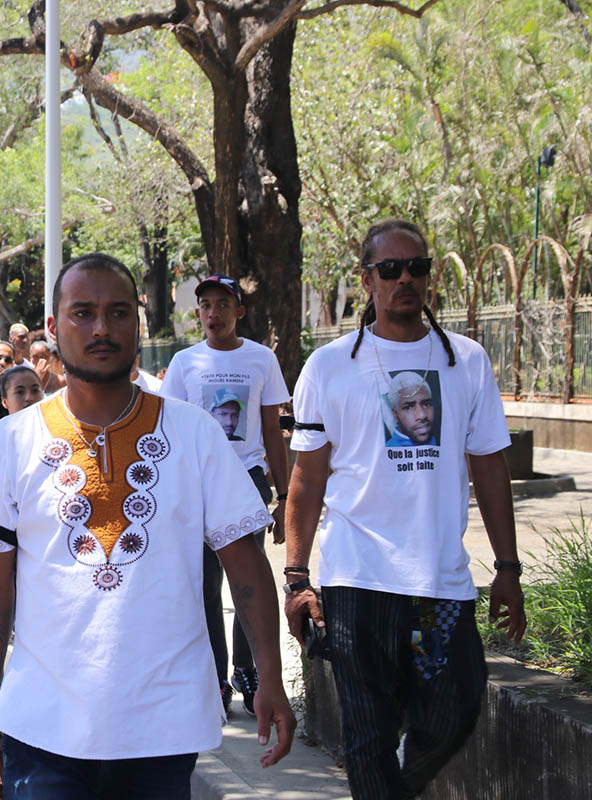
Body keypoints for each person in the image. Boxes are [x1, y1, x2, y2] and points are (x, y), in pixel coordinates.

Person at [0, 253, 295, 800]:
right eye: (83, 313)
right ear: (53, 327)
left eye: (118, 313)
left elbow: (247, 568)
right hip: (42, 723)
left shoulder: (195, 435)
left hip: (162, 727)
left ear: (137, 325)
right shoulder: (8, 443)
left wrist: (270, 680)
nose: (101, 328)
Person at [284, 220, 526, 800]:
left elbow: (490, 466)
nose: (404, 279)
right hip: (357, 582)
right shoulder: (330, 366)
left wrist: (509, 568)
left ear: (430, 275)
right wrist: (296, 579)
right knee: (367, 734)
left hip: (438, 585)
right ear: (367, 280)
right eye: (389, 270)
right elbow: (306, 478)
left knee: (456, 710)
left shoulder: (465, 361)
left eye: (416, 266)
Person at [160, 272, 292, 716]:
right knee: (204, 586)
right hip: (196, 485)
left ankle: (247, 670)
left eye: (222, 304)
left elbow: (273, 428)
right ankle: (215, 676)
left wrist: (284, 492)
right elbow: (171, 430)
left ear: (239, 311)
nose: (213, 313)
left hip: (248, 481)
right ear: (197, 313)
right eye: (205, 305)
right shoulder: (183, 364)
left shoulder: (261, 359)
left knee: (246, 580)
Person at [383, 370, 436, 446]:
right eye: (409, 407)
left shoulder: (440, 442)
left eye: (427, 404)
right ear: (395, 414)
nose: (422, 415)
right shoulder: (388, 452)